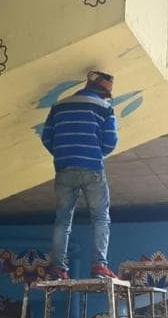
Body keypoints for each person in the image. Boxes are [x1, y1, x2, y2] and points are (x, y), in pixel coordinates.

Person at [40, 70, 119, 281]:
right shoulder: (104, 108)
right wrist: (93, 153)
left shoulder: (59, 106)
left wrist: (63, 155)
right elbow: (111, 141)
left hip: (64, 169)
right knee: (101, 217)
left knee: (63, 220)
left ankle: (57, 268)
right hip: (92, 168)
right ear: (104, 92)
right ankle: (99, 266)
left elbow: (47, 137)